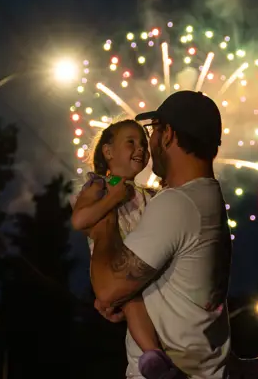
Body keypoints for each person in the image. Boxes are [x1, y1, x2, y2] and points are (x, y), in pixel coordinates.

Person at [87, 91, 258, 378]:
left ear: (168, 134)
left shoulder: (177, 204)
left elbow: (108, 287)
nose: (148, 144)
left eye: (153, 131)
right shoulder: (207, 198)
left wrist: (102, 221)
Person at [72, 119, 187, 378]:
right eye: (131, 142)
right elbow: (80, 219)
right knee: (132, 304)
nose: (141, 150)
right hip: (117, 267)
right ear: (108, 152)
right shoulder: (99, 186)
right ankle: (153, 357)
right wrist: (112, 199)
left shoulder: (147, 194)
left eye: (144, 145)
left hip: (148, 267)